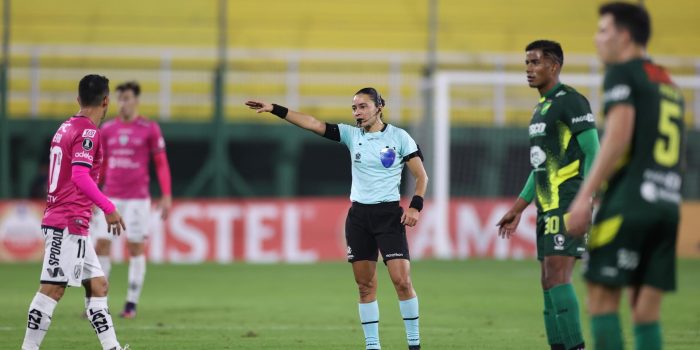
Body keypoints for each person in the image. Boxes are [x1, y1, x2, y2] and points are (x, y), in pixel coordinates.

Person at [246, 87, 427, 350]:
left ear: (379, 107)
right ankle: (373, 346)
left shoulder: (400, 137)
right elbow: (313, 123)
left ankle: (414, 344)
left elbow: (421, 176)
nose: (357, 112)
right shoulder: (352, 135)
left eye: (363, 106)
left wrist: (415, 207)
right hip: (359, 218)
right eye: (354, 108)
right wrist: (276, 109)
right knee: (365, 286)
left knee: (402, 281)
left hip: (388, 216)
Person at [567, 3, 685, 349]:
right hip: (667, 206)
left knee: (602, 300)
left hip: (631, 203)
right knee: (645, 313)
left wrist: (584, 197)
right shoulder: (669, 84)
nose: (596, 38)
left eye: (603, 30)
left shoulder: (622, 72)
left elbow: (617, 137)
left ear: (625, 36)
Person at [497, 40, 599, 350]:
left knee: (558, 275)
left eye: (535, 62)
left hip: (569, 201)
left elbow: (594, 151)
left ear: (553, 66)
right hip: (547, 204)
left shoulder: (572, 101)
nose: (529, 69)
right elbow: (539, 166)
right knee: (547, 280)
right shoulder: (540, 109)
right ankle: (559, 346)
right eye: (527, 63)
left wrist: (587, 200)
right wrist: (518, 207)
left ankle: (576, 347)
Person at [21, 74, 127, 350]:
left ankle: (112, 347)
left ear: (78, 99)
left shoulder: (66, 126)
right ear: (106, 101)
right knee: (52, 290)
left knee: (98, 285)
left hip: (72, 220)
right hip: (66, 221)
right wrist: (109, 207)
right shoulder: (89, 132)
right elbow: (80, 176)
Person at [90, 81, 172, 319]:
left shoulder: (149, 128)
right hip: (110, 197)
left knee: (135, 248)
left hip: (137, 200)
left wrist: (166, 194)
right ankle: (99, 301)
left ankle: (131, 303)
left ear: (136, 100)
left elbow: (161, 163)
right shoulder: (107, 130)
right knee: (101, 245)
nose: (123, 103)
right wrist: (95, 193)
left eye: (127, 98)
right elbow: (101, 165)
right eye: (120, 98)